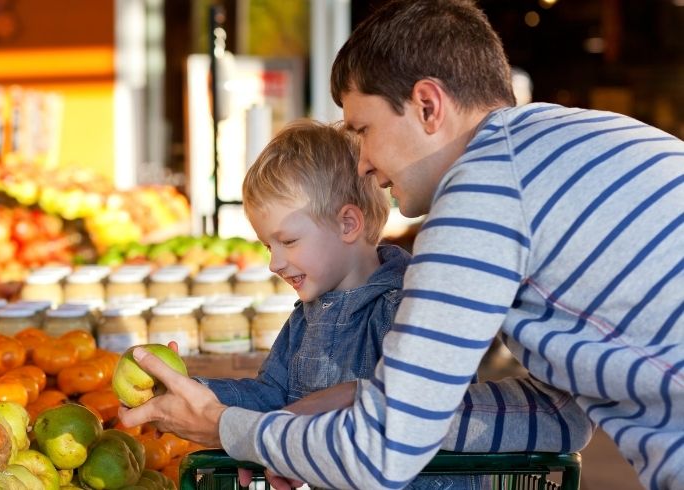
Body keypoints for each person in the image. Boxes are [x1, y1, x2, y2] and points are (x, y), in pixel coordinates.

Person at [121, 1, 684, 489]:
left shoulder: (484, 189)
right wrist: (366, 401)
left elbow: (380, 455)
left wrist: (225, 427)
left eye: (362, 129)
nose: (362, 161)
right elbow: (563, 417)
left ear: (428, 105)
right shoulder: (576, 140)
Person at [195, 119, 479, 489]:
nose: (274, 263)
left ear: (347, 224)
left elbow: (433, 423)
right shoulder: (304, 319)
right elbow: (271, 396)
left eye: (289, 241)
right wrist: (198, 394)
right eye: (269, 246)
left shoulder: (405, 311)